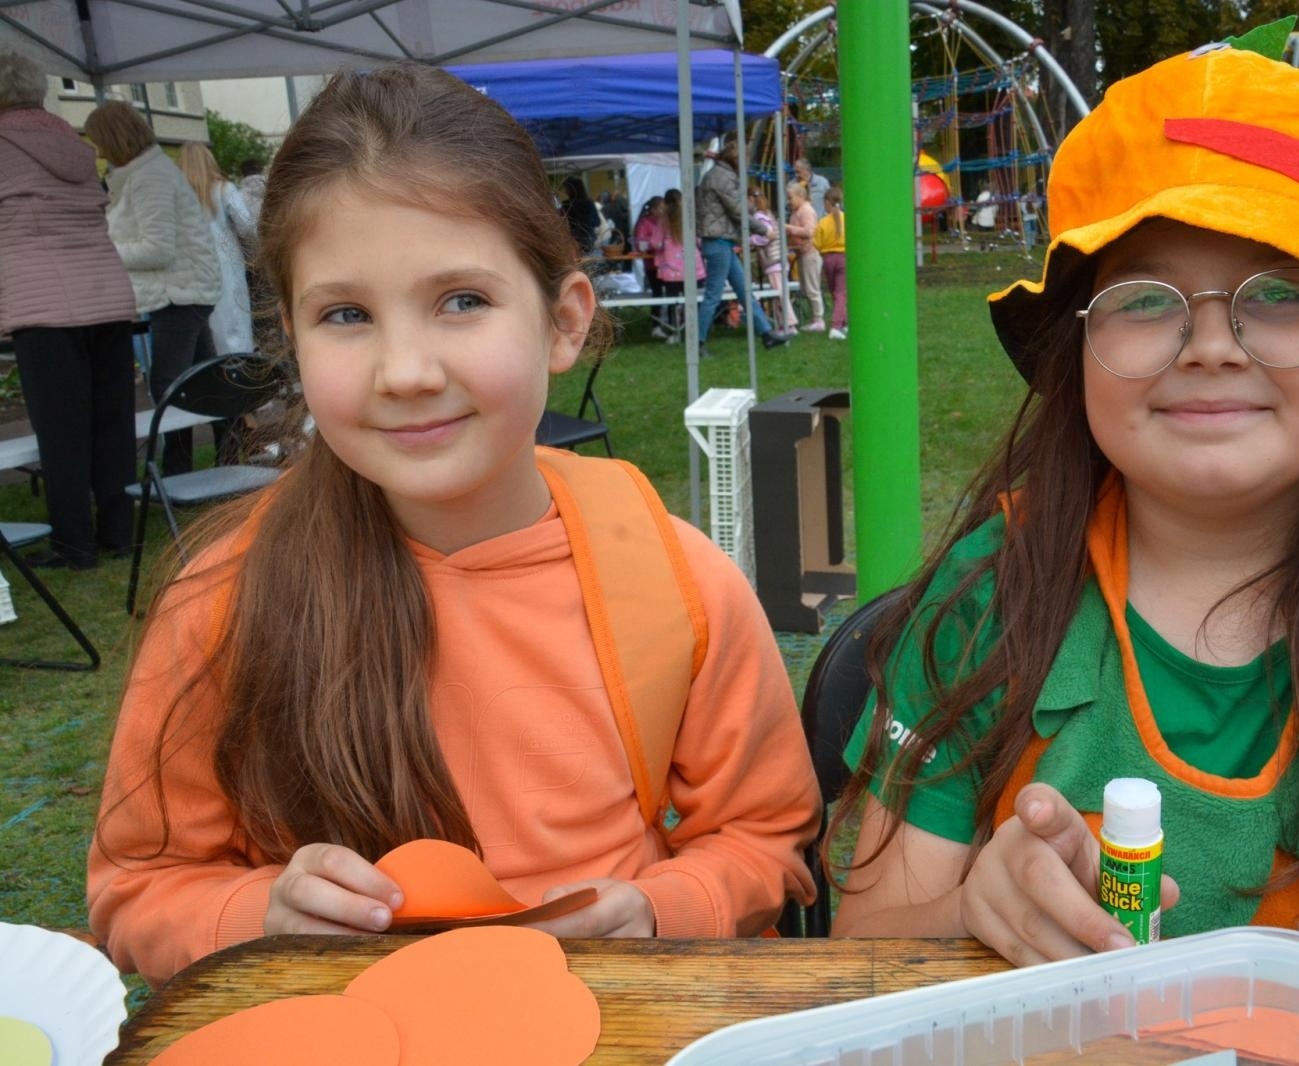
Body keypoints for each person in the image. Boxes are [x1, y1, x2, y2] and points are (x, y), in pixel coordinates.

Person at [829, 40, 1299, 1029]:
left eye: (1281, 293)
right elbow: (859, 946)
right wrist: (974, 908)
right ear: (1076, 349)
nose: (1208, 345)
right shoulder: (989, 591)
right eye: (1142, 300)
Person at [87, 63, 821, 985]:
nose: (406, 370)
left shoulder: (676, 583)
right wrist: (258, 916)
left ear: (563, 321)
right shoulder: (222, 601)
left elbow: (765, 835)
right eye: (346, 314)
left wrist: (661, 910)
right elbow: (139, 884)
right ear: (294, 336)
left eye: (461, 301)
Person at [0, 49, 138, 570]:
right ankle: (119, 533)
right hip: (106, 295)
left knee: (61, 432)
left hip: (43, 305)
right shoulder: (75, 145)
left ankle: (73, 545)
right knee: (111, 423)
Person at [84, 100, 221, 477]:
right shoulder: (144, 174)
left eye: (98, 142)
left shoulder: (150, 178)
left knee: (170, 387)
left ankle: (179, 474)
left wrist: (101, 249)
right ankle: (226, 459)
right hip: (183, 292)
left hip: (178, 295)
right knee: (204, 382)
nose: (97, 151)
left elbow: (157, 249)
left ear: (113, 139)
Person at [694, 144, 789, 355]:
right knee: (713, 295)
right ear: (736, 159)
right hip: (719, 242)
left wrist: (755, 209)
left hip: (722, 243)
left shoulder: (720, 175)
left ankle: (767, 334)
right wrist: (765, 230)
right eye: (744, 159)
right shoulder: (723, 177)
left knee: (745, 291)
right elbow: (737, 211)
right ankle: (697, 343)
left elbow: (738, 206)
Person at [178, 144, 256, 355]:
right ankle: (240, 372)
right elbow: (248, 226)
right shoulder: (223, 189)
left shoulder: (178, 195)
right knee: (235, 321)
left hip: (192, 266)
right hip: (226, 262)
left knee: (208, 325)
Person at [655, 188, 704, 341]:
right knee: (694, 301)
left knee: (673, 301)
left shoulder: (663, 221)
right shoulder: (690, 217)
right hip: (693, 268)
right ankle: (694, 330)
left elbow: (655, 243)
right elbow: (699, 240)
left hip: (671, 270)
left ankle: (675, 331)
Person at [748, 186, 794, 332]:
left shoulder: (759, 217)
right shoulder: (768, 214)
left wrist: (750, 240)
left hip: (773, 261)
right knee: (780, 294)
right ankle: (783, 324)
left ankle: (789, 324)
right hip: (780, 259)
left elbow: (768, 235)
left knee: (780, 295)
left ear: (750, 199)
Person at [785, 180, 824, 332]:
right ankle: (815, 318)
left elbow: (809, 231)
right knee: (806, 287)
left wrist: (788, 228)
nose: (789, 202)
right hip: (800, 253)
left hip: (811, 253)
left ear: (800, 196)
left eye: (790, 198)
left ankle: (819, 320)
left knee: (812, 288)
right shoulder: (796, 212)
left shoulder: (807, 210)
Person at [633, 195, 670, 339]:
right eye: (660, 208)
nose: (663, 210)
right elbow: (640, 244)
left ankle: (669, 322)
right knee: (658, 293)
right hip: (652, 265)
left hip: (668, 264)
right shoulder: (645, 223)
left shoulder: (666, 222)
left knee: (671, 294)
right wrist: (655, 243)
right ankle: (656, 325)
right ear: (653, 209)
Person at [814, 186, 847, 340]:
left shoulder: (822, 222)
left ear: (827, 202)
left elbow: (817, 243)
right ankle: (836, 326)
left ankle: (843, 323)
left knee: (835, 293)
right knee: (841, 293)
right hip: (843, 257)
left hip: (827, 259)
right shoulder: (846, 219)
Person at [559, 175, 601, 257]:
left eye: (566, 188)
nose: (565, 191)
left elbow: (561, 223)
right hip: (589, 241)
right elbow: (597, 222)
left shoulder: (567, 204)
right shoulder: (589, 202)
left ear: (571, 189)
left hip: (572, 243)